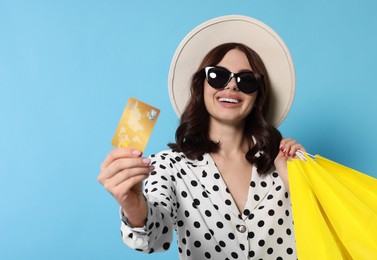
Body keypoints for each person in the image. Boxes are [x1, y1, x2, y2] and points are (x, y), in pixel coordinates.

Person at [98, 16, 305, 260]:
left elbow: (332, 232)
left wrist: (299, 180)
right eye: (218, 76)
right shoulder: (168, 166)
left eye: (246, 80)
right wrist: (133, 204)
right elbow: (154, 237)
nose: (231, 86)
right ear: (201, 86)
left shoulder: (286, 163)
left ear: (258, 94)